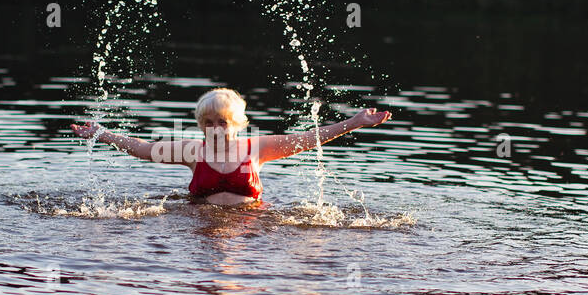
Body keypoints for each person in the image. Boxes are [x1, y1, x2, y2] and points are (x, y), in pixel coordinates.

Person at [70, 87, 392, 205]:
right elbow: (144, 149)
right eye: (208, 123)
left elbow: (309, 138)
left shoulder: (259, 148)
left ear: (237, 124)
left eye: (222, 122)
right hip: (199, 225)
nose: (215, 129)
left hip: (250, 228)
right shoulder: (192, 152)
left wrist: (355, 122)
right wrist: (104, 134)